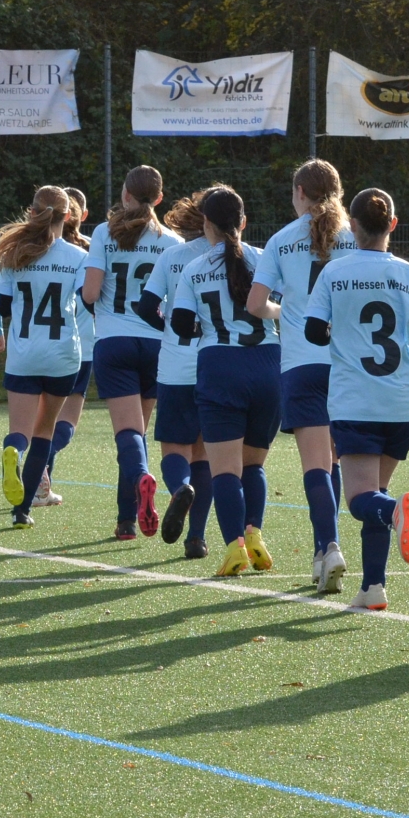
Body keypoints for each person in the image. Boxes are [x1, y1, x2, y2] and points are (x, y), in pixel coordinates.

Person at [302, 188, 409, 610]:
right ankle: (373, 588)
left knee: (361, 499)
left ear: (352, 226)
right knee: (377, 489)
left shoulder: (334, 272)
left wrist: (338, 335)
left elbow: (312, 332)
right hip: (404, 399)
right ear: (393, 225)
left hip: (357, 398)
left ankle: (397, 512)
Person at [249, 159, 358, 593]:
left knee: (316, 463)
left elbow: (256, 304)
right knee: (335, 460)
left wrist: (285, 312)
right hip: (348, 364)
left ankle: (328, 546)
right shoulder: (354, 236)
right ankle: (322, 551)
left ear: (299, 193)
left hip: (302, 362)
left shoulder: (280, 240)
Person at [169, 186, 279, 577]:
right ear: (243, 222)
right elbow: (285, 305)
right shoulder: (264, 259)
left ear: (205, 224)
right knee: (254, 465)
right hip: (268, 365)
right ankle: (255, 535)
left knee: (225, 471)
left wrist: (207, 327)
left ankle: (235, 548)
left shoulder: (194, 268)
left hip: (220, 366)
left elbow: (181, 324)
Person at [82, 166, 173, 538]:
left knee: (128, 434)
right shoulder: (171, 241)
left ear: (125, 195)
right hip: (155, 343)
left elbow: (90, 294)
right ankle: (126, 521)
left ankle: (137, 490)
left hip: (114, 341)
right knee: (138, 432)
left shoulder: (104, 233)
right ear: (160, 198)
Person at [0, 186, 89, 529]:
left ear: (31, 212)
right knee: (45, 432)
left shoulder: (14, 254)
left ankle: (13, 451)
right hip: (63, 354)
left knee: (20, 431)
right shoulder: (77, 256)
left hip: (23, 354)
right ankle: (21, 512)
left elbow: (3, 308)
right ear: (68, 216)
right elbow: (87, 299)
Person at [135, 192, 218, 560]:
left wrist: (169, 326)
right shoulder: (239, 256)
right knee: (204, 453)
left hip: (175, 364)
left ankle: (179, 488)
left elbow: (146, 306)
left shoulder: (173, 256)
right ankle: (196, 538)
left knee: (174, 448)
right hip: (216, 363)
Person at [31, 188, 96, 508]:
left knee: (42, 420)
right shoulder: (87, 251)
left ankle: (40, 486)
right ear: (78, 215)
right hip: (78, 345)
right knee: (64, 422)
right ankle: (41, 465)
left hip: (36, 343)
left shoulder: (34, 249)